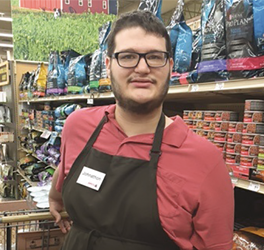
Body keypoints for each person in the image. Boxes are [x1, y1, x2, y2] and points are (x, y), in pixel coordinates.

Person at [49, 10, 234, 250]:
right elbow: (65, 168)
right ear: (108, 66)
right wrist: (55, 197)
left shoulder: (205, 160)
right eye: (127, 56)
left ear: (169, 65)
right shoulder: (78, 125)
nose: (142, 68)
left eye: (155, 57)